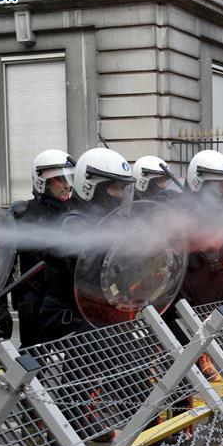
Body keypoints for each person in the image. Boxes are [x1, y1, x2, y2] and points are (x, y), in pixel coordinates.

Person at [38, 147, 135, 343]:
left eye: (122, 189)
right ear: (90, 186)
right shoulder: (75, 223)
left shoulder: (112, 222)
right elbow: (91, 272)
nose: (118, 195)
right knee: (83, 370)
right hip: (79, 320)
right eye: (113, 188)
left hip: (105, 318)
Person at [9, 149, 76, 347]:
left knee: (80, 358)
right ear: (42, 181)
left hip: (68, 301)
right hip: (34, 302)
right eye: (59, 180)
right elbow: (3, 264)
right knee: (31, 362)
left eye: (70, 179)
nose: (67, 185)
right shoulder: (22, 214)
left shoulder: (77, 213)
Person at [176, 149, 223, 306]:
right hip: (187, 289)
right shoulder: (176, 210)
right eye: (220, 185)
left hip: (219, 282)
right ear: (198, 181)